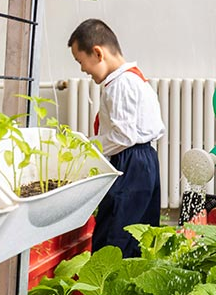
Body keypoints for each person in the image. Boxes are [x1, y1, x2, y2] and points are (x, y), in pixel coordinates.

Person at [68, 19, 165, 258]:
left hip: (130, 163)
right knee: (138, 231)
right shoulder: (134, 79)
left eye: (81, 61)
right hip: (143, 160)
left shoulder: (120, 84)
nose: (83, 70)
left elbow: (123, 135)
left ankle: (107, 286)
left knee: (115, 234)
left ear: (98, 53)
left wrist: (86, 147)